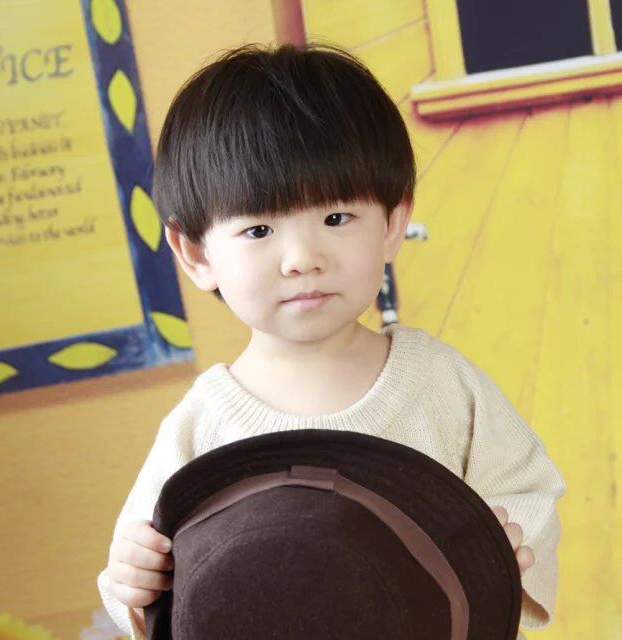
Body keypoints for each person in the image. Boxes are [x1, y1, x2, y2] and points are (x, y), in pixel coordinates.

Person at [97, 41, 565, 640]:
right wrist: (134, 579)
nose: (302, 258)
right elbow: (142, 573)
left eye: (336, 219)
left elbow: (526, 487)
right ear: (196, 253)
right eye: (259, 229)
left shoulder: (442, 385)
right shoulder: (200, 425)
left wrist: (508, 549)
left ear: (392, 223)